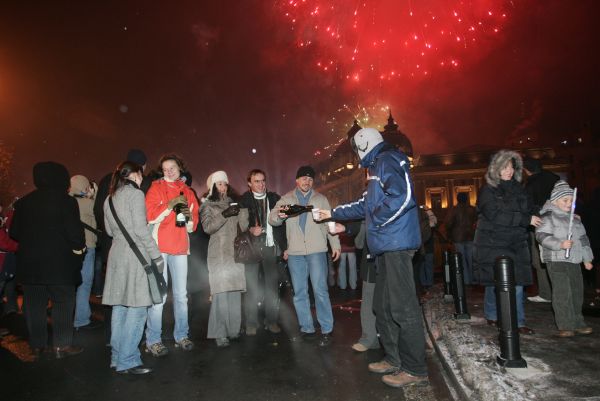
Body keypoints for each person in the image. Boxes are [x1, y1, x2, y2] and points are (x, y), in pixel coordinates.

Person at [320, 128, 428, 388]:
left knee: (403, 307)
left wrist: (377, 221)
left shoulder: (387, 160)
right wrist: (331, 213)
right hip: (385, 246)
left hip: (396, 244)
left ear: (364, 144)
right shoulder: (377, 167)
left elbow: (403, 197)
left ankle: (415, 369)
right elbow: (362, 205)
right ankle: (394, 358)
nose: (356, 156)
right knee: (383, 305)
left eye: (356, 149)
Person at [10, 161, 86, 359]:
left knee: (34, 305)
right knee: (63, 302)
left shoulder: (24, 202)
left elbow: (15, 232)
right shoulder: (66, 201)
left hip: (31, 265)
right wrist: (79, 250)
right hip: (60, 264)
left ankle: (37, 344)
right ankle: (61, 345)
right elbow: (75, 235)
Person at [268, 165, 340, 347]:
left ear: (312, 182)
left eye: (309, 179)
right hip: (295, 253)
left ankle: (326, 329)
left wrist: (335, 244)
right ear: (297, 180)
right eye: (303, 178)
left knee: (320, 290)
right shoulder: (286, 199)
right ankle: (306, 327)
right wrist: (286, 212)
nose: (306, 182)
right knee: (300, 293)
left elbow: (329, 223)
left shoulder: (321, 199)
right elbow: (273, 219)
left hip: (317, 250)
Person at [103, 161, 162, 374]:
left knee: (120, 308)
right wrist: (156, 256)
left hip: (117, 255)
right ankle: (128, 360)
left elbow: (109, 231)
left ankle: (117, 357)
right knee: (137, 309)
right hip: (136, 257)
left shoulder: (109, 198)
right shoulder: (136, 195)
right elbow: (140, 230)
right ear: (136, 174)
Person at [473, 150, 541, 335]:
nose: (509, 171)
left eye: (511, 166)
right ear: (496, 168)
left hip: (517, 242)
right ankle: (492, 314)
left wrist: (550, 211)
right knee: (495, 282)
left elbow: (531, 208)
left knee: (517, 283)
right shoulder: (488, 189)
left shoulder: (520, 188)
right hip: (494, 241)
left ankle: (517, 322)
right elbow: (493, 214)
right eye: (504, 167)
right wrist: (524, 220)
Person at [144, 154, 198, 356]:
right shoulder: (156, 188)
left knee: (181, 295)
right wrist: (169, 205)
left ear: (179, 168)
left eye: (172, 168)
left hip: (181, 247)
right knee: (159, 295)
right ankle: (153, 340)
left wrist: (190, 220)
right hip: (160, 248)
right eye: (165, 168)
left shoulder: (187, 190)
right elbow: (150, 215)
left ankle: (182, 335)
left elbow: (192, 222)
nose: (169, 171)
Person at [536, 180, 594, 337]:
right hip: (556, 259)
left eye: (571, 201)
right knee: (562, 292)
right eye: (565, 200)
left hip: (574, 260)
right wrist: (560, 244)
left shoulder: (575, 219)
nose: (569, 204)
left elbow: (583, 239)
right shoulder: (548, 217)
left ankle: (577, 321)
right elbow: (542, 236)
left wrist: (586, 258)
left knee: (576, 291)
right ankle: (565, 324)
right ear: (555, 201)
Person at [200, 171, 249, 347]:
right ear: (212, 186)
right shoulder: (208, 205)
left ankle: (234, 330)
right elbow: (207, 228)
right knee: (220, 293)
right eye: (219, 184)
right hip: (218, 254)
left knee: (235, 292)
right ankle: (219, 333)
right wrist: (224, 214)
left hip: (234, 253)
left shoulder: (232, 202)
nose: (223, 187)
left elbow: (243, 227)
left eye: (225, 183)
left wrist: (243, 211)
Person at [238, 169, 286, 335]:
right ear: (249, 184)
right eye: (256, 181)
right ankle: (251, 323)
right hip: (251, 247)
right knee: (251, 287)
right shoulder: (243, 200)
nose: (261, 184)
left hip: (270, 246)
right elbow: (238, 225)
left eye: (263, 180)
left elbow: (285, 224)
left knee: (272, 286)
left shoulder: (275, 198)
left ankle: (271, 321)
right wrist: (250, 229)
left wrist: (285, 247)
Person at [523, 157, 559, 303]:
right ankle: (559, 292)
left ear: (527, 170)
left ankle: (546, 293)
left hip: (539, 224)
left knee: (540, 259)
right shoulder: (555, 179)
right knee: (557, 256)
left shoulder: (530, 185)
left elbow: (527, 206)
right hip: (558, 223)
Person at [70, 174, 101, 330]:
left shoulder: (67, 202)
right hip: (87, 246)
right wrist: (94, 194)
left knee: (72, 283)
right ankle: (81, 319)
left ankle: (69, 316)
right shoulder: (86, 203)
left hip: (69, 248)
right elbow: (99, 213)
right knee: (85, 283)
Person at [445, 192, 477, 285]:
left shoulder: (454, 210)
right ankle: (473, 279)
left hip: (458, 237)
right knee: (471, 259)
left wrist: (449, 234)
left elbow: (448, 223)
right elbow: (476, 220)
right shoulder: (472, 209)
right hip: (470, 236)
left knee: (461, 259)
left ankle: (466, 280)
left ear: (457, 199)